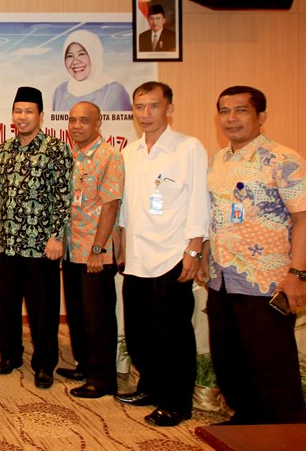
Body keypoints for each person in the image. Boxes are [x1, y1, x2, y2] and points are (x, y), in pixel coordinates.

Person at [205, 86, 306, 425]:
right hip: (222, 279)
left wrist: (298, 274)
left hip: (266, 282)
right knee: (230, 358)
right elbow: (216, 215)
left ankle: (285, 432)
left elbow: (303, 219)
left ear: (261, 116)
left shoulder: (283, 159)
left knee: (271, 363)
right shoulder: (218, 160)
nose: (230, 118)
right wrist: (205, 256)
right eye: (224, 111)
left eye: (241, 110)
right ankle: (246, 422)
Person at [116, 81, 208, 427]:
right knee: (139, 333)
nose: (146, 114)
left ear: (169, 109)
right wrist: (121, 244)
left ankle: (176, 402)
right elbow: (126, 207)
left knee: (173, 335)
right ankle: (150, 388)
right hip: (137, 258)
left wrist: (194, 249)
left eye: (153, 106)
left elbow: (199, 200)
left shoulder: (188, 148)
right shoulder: (130, 152)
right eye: (140, 107)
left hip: (172, 256)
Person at [0, 86, 72, 389]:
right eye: (17, 111)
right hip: (9, 242)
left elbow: (63, 196)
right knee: (7, 306)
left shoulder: (56, 149)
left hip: (41, 246)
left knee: (42, 310)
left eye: (28, 111)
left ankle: (45, 364)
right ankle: (9, 355)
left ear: (40, 115)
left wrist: (57, 236)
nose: (22, 117)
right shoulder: (5, 149)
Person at [59, 102, 124, 398]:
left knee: (98, 317)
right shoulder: (72, 155)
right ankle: (84, 365)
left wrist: (98, 249)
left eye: (84, 120)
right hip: (72, 249)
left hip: (95, 252)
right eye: (72, 120)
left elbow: (111, 205)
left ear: (98, 123)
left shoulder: (109, 156)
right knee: (77, 313)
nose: (76, 126)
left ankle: (103, 378)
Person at [52, 30, 131, 111]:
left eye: (81, 54)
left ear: (95, 55)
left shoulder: (114, 91)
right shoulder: (60, 91)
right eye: (69, 56)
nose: (75, 61)